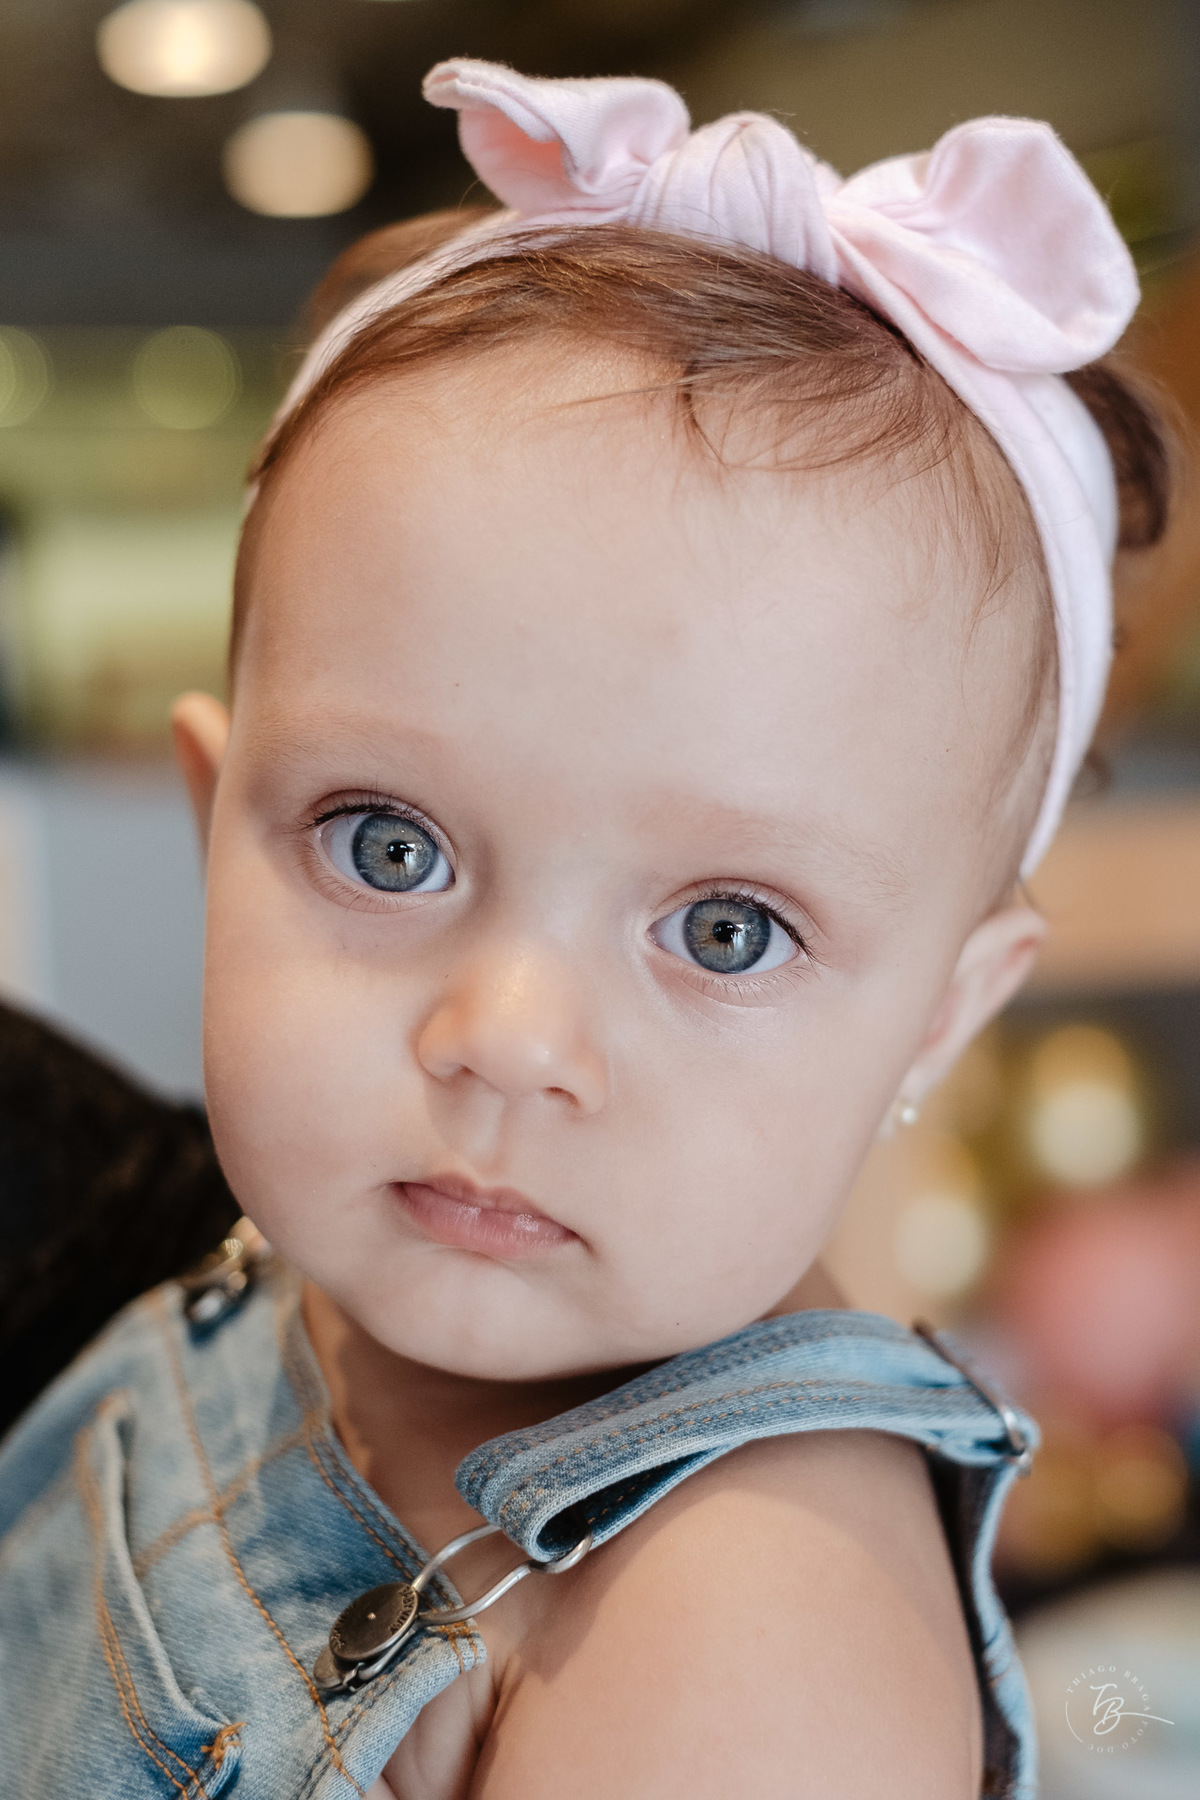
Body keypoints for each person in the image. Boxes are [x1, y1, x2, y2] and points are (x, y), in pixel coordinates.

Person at [0, 59, 1171, 1800]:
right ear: (209, 824)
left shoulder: (756, 1629)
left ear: (941, 1013)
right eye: (388, 848)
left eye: (724, 932)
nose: (509, 1036)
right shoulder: (263, 1284)